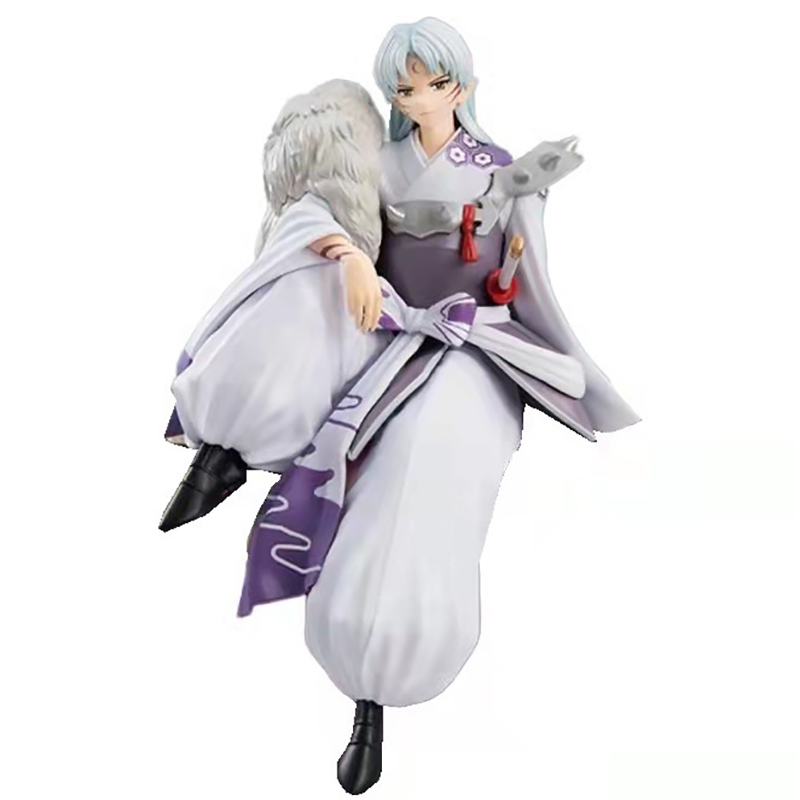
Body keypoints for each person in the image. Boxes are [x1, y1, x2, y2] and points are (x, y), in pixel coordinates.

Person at [160, 17, 639, 795]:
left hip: (469, 348)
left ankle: (373, 690)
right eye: (405, 87)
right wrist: (349, 254)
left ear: (462, 86)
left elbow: (516, 290)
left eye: (432, 83)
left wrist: (509, 262)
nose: (418, 98)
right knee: (311, 285)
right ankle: (225, 448)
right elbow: (317, 214)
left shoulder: (500, 172)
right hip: (387, 324)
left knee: (418, 472)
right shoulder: (378, 165)